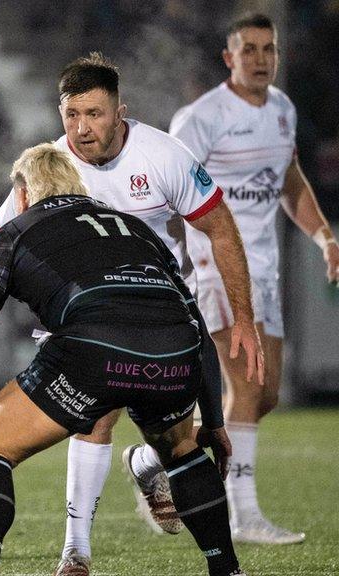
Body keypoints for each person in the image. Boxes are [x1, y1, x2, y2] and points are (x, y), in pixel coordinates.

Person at [0, 53, 262, 576]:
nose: (81, 128)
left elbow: (222, 228)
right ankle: (77, 552)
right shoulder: (50, 165)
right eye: (71, 115)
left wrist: (245, 319)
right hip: (81, 319)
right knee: (95, 417)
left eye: (94, 114)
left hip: (153, 310)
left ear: (121, 112)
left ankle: (146, 465)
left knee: (175, 442)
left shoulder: (163, 156)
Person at [0, 142, 247, 576]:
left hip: (94, 353)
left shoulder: (16, 232)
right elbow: (195, 325)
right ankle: (227, 569)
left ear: (25, 195)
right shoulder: (136, 229)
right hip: (174, 353)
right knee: (181, 448)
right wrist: (215, 421)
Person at [170, 13, 339, 545]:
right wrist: (176, 256)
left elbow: (289, 181)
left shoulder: (283, 111)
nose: (261, 58)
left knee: (264, 395)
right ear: (229, 58)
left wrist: (325, 237)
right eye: (250, 50)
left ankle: (161, 463)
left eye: (269, 49)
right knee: (246, 386)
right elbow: (171, 193)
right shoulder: (200, 119)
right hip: (215, 266)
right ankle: (242, 516)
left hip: (263, 269)